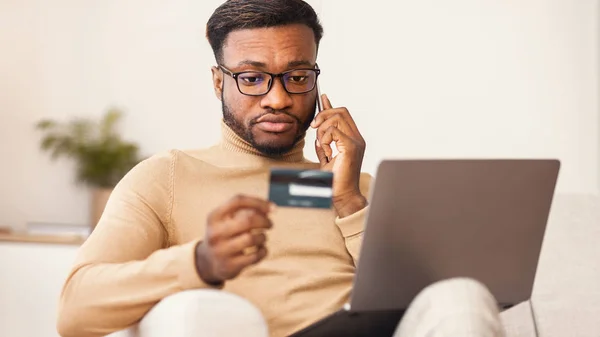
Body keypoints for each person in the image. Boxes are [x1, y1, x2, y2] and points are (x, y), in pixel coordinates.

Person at [56, 1, 506, 337]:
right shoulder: (166, 178)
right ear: (219, 82)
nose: (278, 98)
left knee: (461, 295)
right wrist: (200, 262)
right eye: (252, 78)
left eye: (297, 76)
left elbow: (414, 308)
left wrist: (349, 201)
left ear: (316, 79)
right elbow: (75, 309)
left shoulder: (355, 187)